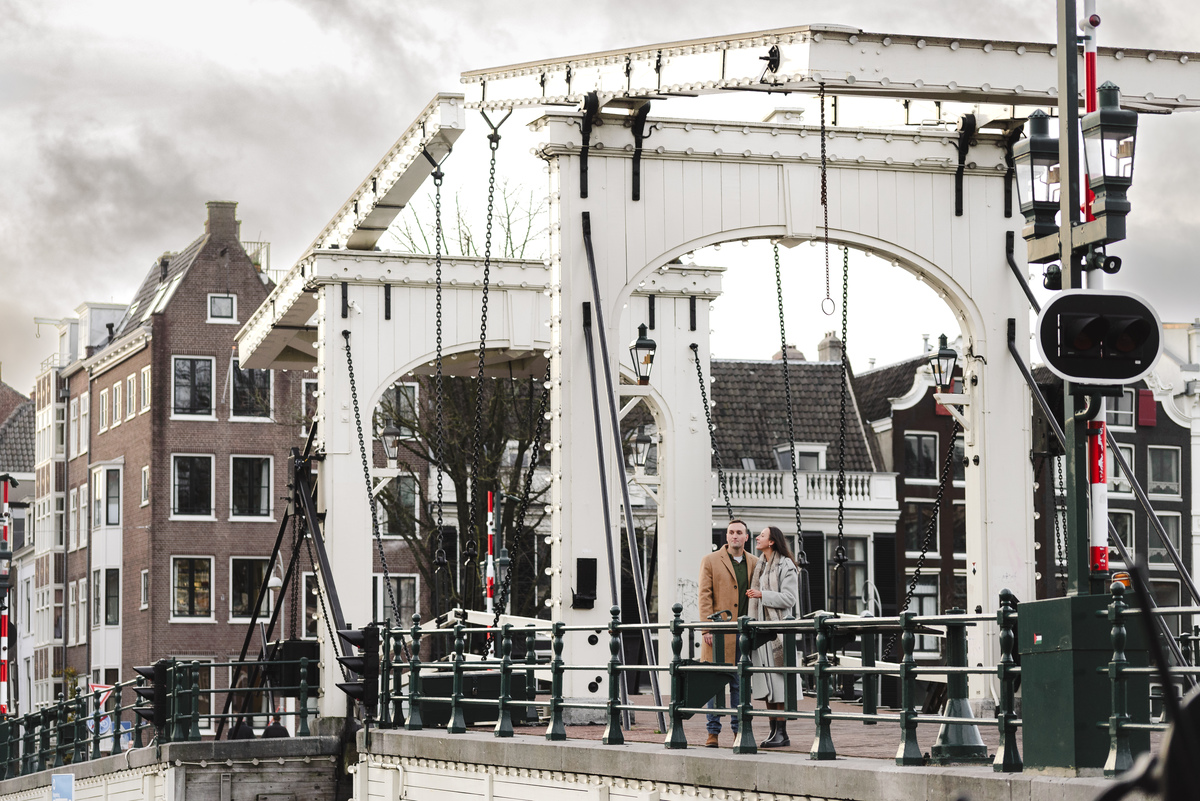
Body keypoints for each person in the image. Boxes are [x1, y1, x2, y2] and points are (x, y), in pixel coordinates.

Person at [698, 519, 758, 748]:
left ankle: (738, 731)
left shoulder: (754, 562)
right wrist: (707, 628)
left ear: (746, 537)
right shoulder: (710, 561)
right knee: (714, 686)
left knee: (739, 686)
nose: (734, 536)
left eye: (739, 532)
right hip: (718, 633)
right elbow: (705, 596)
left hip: (743, 635)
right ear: (726, 536)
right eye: (731, 532)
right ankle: (712, 733)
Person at [747, 525, 800, 749]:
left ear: (772, 542)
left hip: (777, 634)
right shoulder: (761, 565)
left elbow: (789, 599)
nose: (757, 537)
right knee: (768, 686)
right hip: (762, 632)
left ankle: (782, 733)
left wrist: (762, 594)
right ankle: (773, 732)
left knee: (778, 684)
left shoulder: (786, 565)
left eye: (762, 535)